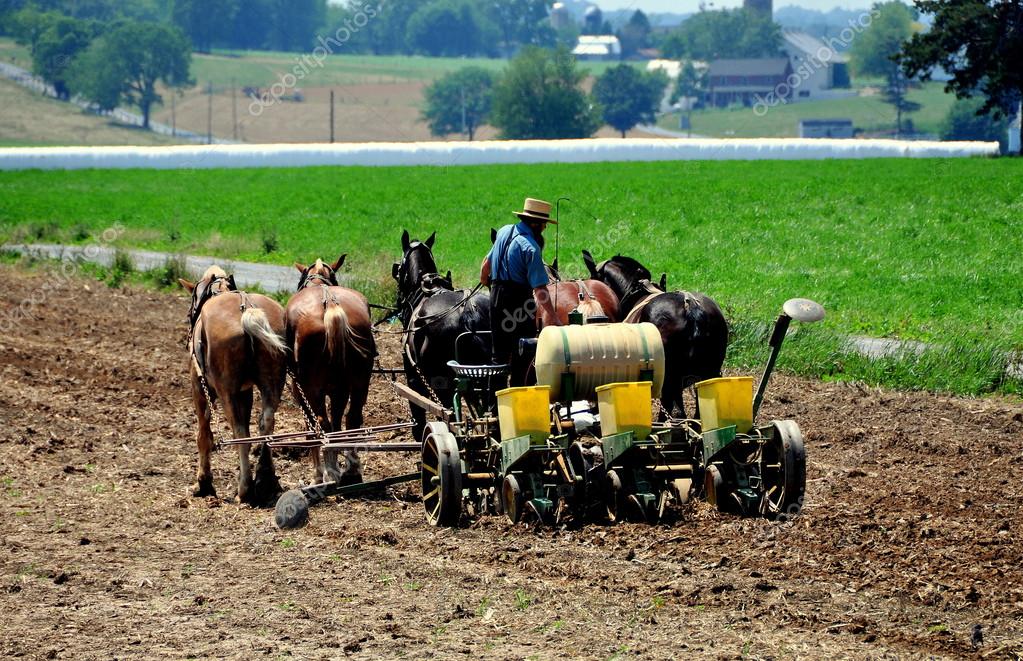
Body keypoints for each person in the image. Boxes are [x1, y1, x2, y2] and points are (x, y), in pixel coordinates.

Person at [480, 197, 561, 386]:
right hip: (518, 303)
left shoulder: (503, 231)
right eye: (543, 225)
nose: (545, 229)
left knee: (498, 355)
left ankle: (495, 405)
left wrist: (490, 286)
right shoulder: (531, 248)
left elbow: (485, 268)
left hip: (496, 298)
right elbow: (540, 290)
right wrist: (554, 317)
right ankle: (518, 397)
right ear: (535, 223)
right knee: (522, 352)